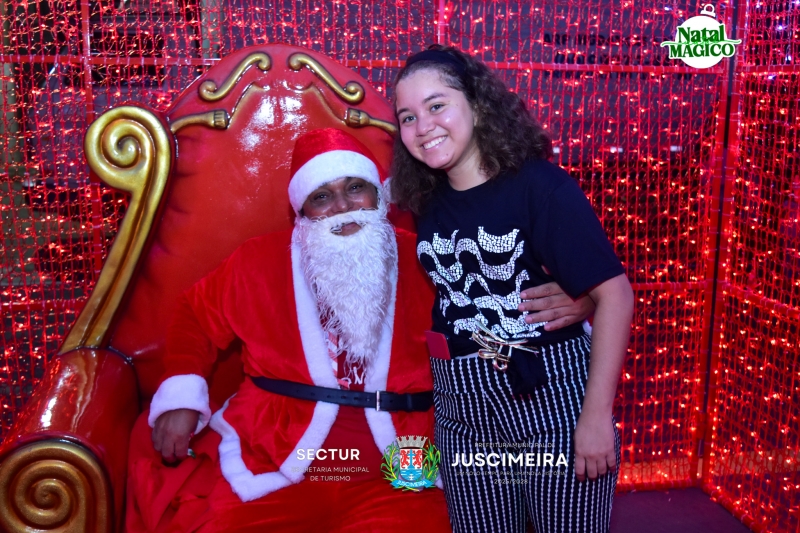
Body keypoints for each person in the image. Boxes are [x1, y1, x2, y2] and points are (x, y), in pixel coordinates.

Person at [125, 127, 594, 533]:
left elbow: (499, 301)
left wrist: (579, 299)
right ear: (302, 211)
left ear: (378, 197)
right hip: (278, 451)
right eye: (322, 196)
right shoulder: (257, 262)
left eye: (356, 188)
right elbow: (195, 315)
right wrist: (182, 394)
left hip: (404, 460)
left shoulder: (428, 255)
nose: (343, 207)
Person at [391, 46, 635, 533]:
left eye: (437, 105)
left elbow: (616, 295)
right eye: (407, 117)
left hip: (551, 403)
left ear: (477, 105)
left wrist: (594, 418)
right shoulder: (423, 199)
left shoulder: (539, 186)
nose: (423, 126)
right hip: (463, 410)